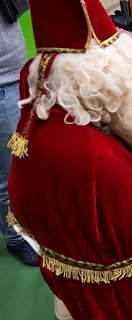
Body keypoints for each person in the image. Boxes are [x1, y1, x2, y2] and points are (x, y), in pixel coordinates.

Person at [7, 0, 132, 318]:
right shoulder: (93, 158)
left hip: (73, 284)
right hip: (119, 297)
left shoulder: (44, 117)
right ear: (101, 80)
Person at [0, 0, 38, 266]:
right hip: (3, 85)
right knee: (9, 173)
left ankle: (25, 228)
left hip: (16, 78)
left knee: (20, 166)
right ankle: (15, 238)